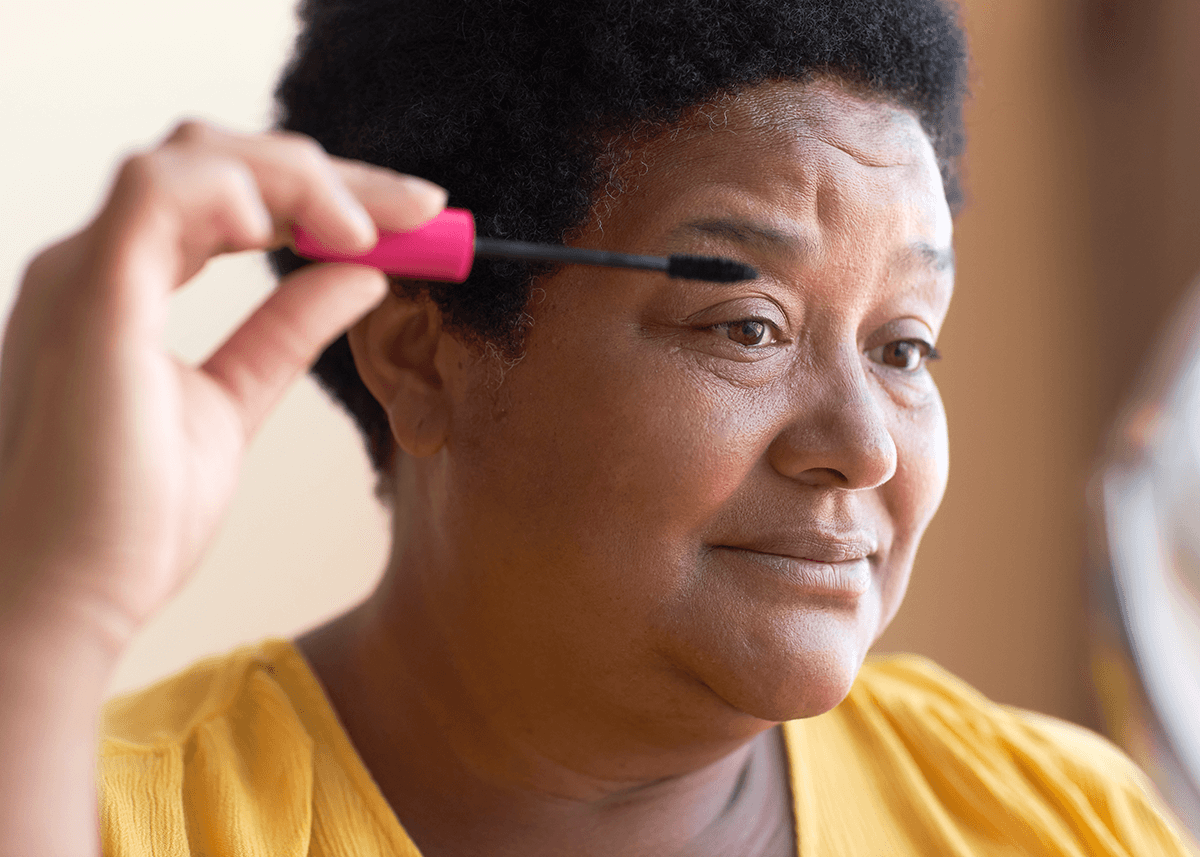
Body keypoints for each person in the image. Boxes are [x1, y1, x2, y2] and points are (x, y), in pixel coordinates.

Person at [1, 0, 1196, 855]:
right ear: (423, 352)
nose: (866, 445)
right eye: (747, 324)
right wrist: (50, 611)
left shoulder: (1060, 819)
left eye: (905, 347)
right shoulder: (85, 814)